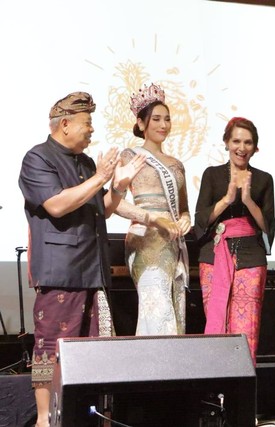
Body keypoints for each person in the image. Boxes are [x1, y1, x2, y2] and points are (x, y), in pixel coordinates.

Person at [18, 91, 146, 427]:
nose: (91, 130)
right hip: (61, 272)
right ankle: (45, 420)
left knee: (96, 351)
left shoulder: (87, 164)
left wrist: (117, 188)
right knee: (51, 347)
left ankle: (91, 417)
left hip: (94, 271)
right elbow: (57, 205)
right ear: (64, 125)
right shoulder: (38, 158)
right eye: (87, 123)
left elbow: (100, 211)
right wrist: (100, 179)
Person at [194, 117, 275, 365]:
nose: (242, 147)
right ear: (227, 143)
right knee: (218, 318)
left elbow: (268, 225)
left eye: (248, 142)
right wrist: (228, 199)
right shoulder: (213, 175)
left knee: (246, 325)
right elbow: (201, 218)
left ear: (255, 147)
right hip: (215, 255)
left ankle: (243, 385)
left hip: (250, 256)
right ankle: (218, 388)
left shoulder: (263, 179)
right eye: (236, 141)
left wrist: (248, 200)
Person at [114, 83, 191, 335]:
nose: (164, 125)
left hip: (171, 243)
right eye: (156, 119)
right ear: (141, 123)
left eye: (167, 119)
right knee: (156, 309)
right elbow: (114, 203)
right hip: (144, 240)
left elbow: (184, 208)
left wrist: (185, 219)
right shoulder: (130, 156)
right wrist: (151, 218)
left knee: (173, 307)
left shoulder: (177, 164)